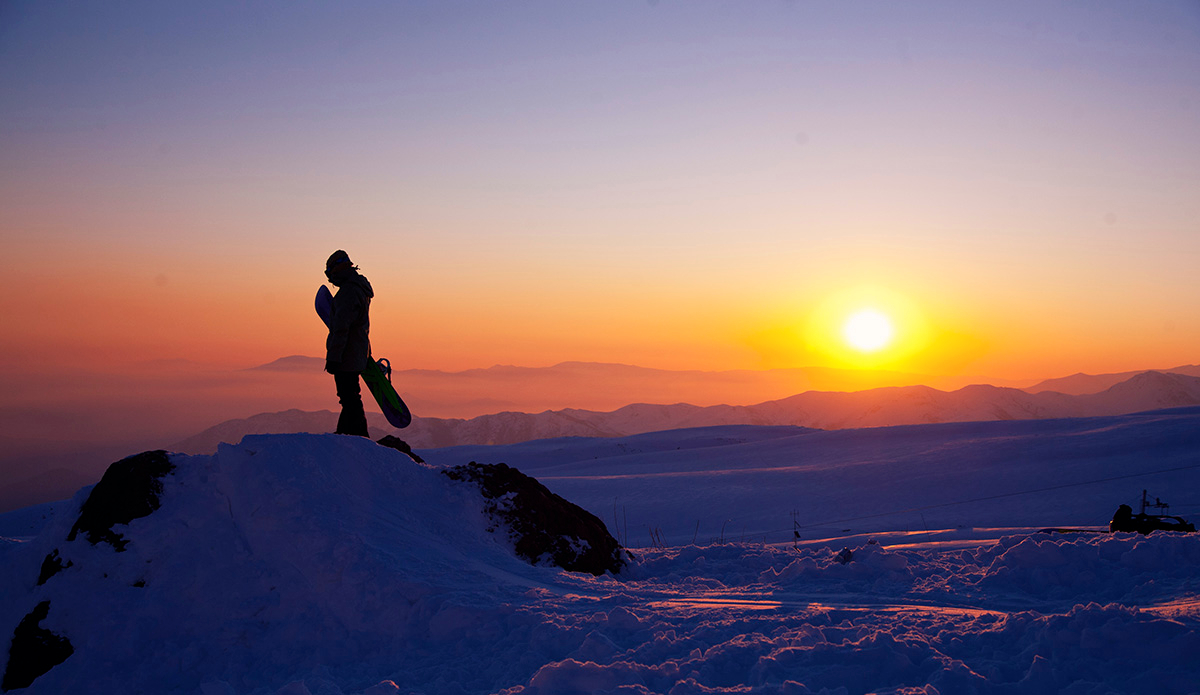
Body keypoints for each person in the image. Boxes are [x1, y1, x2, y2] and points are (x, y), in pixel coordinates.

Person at [324, 250, 374, 436]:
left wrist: (334, 357)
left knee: (349, 397)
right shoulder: (359, 289)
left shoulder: (348, 292)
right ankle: (346, 434)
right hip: (358, 351)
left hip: (347, 354)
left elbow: (341, 327)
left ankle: (358, 437)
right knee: (350, 396)